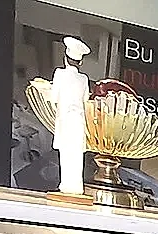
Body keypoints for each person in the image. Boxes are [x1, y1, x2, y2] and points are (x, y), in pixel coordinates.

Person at [52, 37, 91, 196]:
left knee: (66, 155)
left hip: (66, 119)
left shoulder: (59, 74)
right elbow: (86, 99)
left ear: (65, 58)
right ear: (80, 62)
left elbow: (54, 97)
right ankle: (76, 188)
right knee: (76, 156)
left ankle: (66, 187)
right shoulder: (83, 79)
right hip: (79, 121)